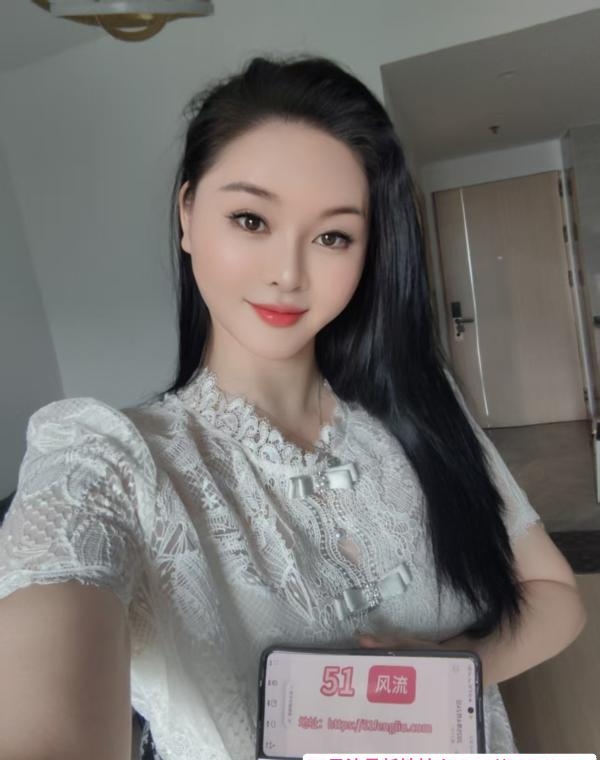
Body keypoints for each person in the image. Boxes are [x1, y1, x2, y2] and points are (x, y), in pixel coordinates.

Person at [0, 54, 586, 760]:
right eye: (251, 219)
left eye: (333, 236)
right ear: (187, 214)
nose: (288, 273)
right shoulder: (110, 462)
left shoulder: (423, 404)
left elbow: (555, 595)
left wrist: (450, 669)